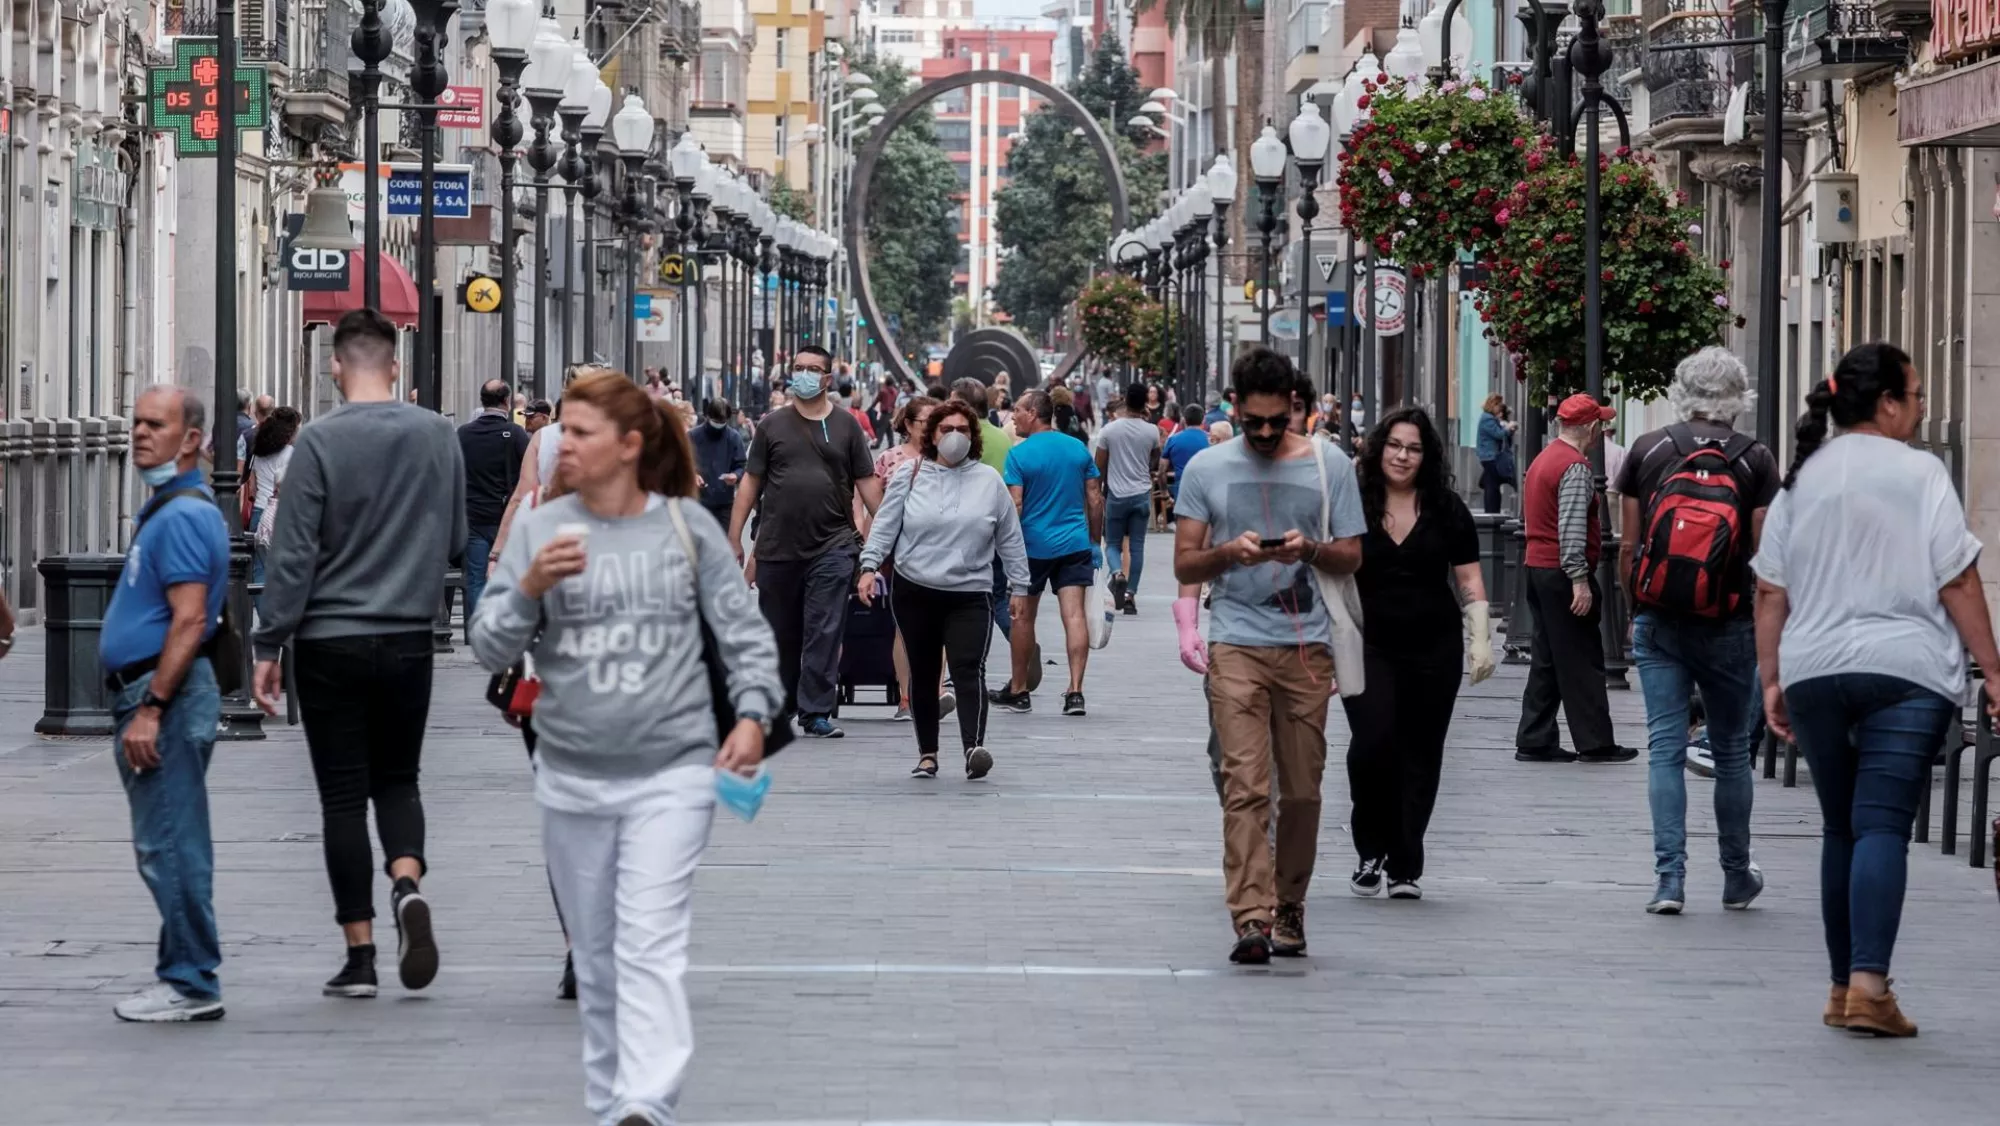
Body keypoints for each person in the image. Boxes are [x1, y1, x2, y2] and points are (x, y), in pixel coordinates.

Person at [470, 371, 780, 1126]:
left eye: (580, 434)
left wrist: (751, 716)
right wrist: (527, 587)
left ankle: (647, 1099)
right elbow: (489, 646)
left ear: (630, 445)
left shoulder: (685, 528)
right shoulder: (542, 530)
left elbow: (744, 633)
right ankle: (613, 1098)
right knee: (598, 953)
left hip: (672, 769)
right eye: (562, 432)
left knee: (649, 938)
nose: (561, 446)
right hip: (570, 772)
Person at [1752, 341, 2000, 1037]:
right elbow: (1957, 578)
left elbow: (1770, 590)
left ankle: (1841, 989)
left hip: (1814, 668)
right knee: (1883, 824)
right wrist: (1994, 669)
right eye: (1916, 396)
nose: (1920, 409)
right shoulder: (1921, 473)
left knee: (1841, 826)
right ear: (1887, 403)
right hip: (1907, 671)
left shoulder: (1803, 479)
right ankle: (1869, 987)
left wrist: (1771, 679)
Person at [250, 308, 467, 999]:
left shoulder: (318, 441)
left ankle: (361, 956)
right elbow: (456, 537)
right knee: (399, 779)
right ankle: (406, 882)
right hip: (407, 638)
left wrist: (268, 641)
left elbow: (293, 554)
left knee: (342, 798)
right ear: (396, 366)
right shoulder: (438, 435)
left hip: (329, 641)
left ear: (335, 366)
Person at [1173, 347, 1365, 963]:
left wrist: (1308, 550)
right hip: (1236, 642)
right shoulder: (1206, 468)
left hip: (1307, 647)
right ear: (1235, 406)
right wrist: (1231, 553)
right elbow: (1185, 563)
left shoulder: (1329, 465)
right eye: (1252, 421)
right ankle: (1251, 918)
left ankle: (1290, 905)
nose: (1262, 432)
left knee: (1303, 792)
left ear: (1293, 408)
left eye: (1275, 421)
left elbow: (1352, 555)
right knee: (1245, 785)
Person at [1614, 347, 1780, 915]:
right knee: (1731, 753)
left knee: (1665, 749)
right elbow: (1762, 557)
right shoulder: (1756, 459)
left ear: (1681, 392)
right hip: (1728, 623)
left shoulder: (1648, 449)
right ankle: (1736, 875)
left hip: (1659, 619)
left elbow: (1629, 547)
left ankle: (1669, 881)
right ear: (1739, 397)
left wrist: (1636, 608)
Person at [101, 385, 230, 1023]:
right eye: (137, 423)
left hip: (164, 696)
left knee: (171, 843)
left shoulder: (181, 517)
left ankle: (192, 981)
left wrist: (152, 707)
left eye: (156, 424)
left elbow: (190, 619)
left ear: (192, 439)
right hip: (153, 692)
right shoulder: (169, 509)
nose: (140, 434)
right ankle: (181, 970)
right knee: (167, 839)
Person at [1344, 407, 1493, 902]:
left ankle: (1405, 863)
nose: (1402, 456)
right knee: (1372, 744)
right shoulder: (1354, 504)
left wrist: (1479, 637)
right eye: (1394, 445)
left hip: (1434, 648)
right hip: (1368, 645)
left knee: (1421, 754)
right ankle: (1370, 848)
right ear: (1378, 449)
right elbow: (1332, 572)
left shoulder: (1446, 508)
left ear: (1426, 456)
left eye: (1413, 448)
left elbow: (1469, 577)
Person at [857, 400, 1030, 780]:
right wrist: (869, 566)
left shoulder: (989, 481)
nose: (954, 436)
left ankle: (973, 748)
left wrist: (1020, 585)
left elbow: (1010, 538)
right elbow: (885, 524)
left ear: (973, 436)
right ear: (932, 435)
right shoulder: (910, 474)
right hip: (915, 590)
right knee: (924, 671)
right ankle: (928, 754)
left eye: (962, 430)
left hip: (971, 592)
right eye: (946, 429)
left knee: (968, 668)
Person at [728, 344, 883, 739]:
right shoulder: (771, 425)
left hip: (833, 545)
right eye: (799, 367)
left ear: (828, 379)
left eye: (813, 369)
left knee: (824, 629)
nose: (804, 374)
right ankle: (782, 703)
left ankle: (815, 710)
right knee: (780, 632)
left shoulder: (847, 426)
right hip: (778, 547)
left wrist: (884, 537)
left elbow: (867, 485)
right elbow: (751, 483)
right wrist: (735, 538)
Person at [1514, 393, 1633, 764]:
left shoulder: (1543, 459)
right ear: (1592, 428)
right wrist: (1579, 580)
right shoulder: (1575, 466)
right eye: (1600, 423)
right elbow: (1571, 527)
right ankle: (1595, 743)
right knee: (1582, 659)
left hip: (1538, 567)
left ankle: (1534, 738)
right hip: (1562, 573)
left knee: (1547, 657)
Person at [993, 389, 1102, 716]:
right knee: (1074, 615)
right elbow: (1095, 499)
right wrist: (1094, 541)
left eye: (1018, 410)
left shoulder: (1019, 455)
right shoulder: (1077, 448)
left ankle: (1019, 689)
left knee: (1023, 616)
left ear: (1033, 413)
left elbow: (1015, 504)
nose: (1013, 416)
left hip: (1033, 548)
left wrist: (1005, 546)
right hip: (1074, 544)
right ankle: (1075, 691)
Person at [867, 396, 956, 721]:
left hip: (942, 552)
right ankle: (906, 697)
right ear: (908, 424)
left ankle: (935, 692)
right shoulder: (889, 459)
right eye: (926, 422)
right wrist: (869, 556)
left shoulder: (949, 458)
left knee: (940, 626)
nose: (933, 428)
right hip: (901, 555)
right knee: (905, 627)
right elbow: (874, 510)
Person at [458, 381, 532, 631]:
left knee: (476, 578)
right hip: (506, 519)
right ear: (506, 402)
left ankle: (480, 631)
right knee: (509, 576)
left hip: (473, 517)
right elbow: (528, 475)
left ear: (482, 400)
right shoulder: (515, 434)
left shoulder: (463, 434)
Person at [1096, 382, 1162, 614]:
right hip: (1141, 494)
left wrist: (1097, 493)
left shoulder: (1109, 431)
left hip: (1116, 494)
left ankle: (1117, 573)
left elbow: (1098, 466)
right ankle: (1130, 595)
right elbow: (1155, 460)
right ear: (1145, 402)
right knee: (1137, 547)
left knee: (1113, 544)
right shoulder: (1152, 431)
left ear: (1125, 400)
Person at [246, 405, 301, 586]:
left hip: (259, 511)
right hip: (279, 513)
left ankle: (261, 603)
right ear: (290, 430)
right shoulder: (290, 454)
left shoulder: (259, 453)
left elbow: (252, 485)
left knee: (259, 569)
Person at [690, 397, 748, 530]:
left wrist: (736, 475)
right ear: (708, 416)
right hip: (698, 501)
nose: (719, 425)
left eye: (722, 421)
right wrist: (693, 475)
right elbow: (682, 463)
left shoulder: (733, 438)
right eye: (716, 421)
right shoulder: (693, 436)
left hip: (724, 504)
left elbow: (742, 465)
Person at [1475, 393, 1517, 514]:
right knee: (1492, 484)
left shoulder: (1489, 418)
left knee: (1492, 482)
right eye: (1498, 404)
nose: (1500, 407)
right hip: (1490, 456)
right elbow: (1498, 434)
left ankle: (1492, 509)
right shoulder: (1487, 419)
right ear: (1492, 405)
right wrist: (1508, 428)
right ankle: (1492, 510)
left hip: (1490, 455)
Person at [1163, 404, 1208, 508]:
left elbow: (1162, 471)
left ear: (1184, 420)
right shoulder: (1210, 439)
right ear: (1203, 420)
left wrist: (1165, 492)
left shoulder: (1172, 440)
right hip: (1204, 487)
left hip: (1181, 487)